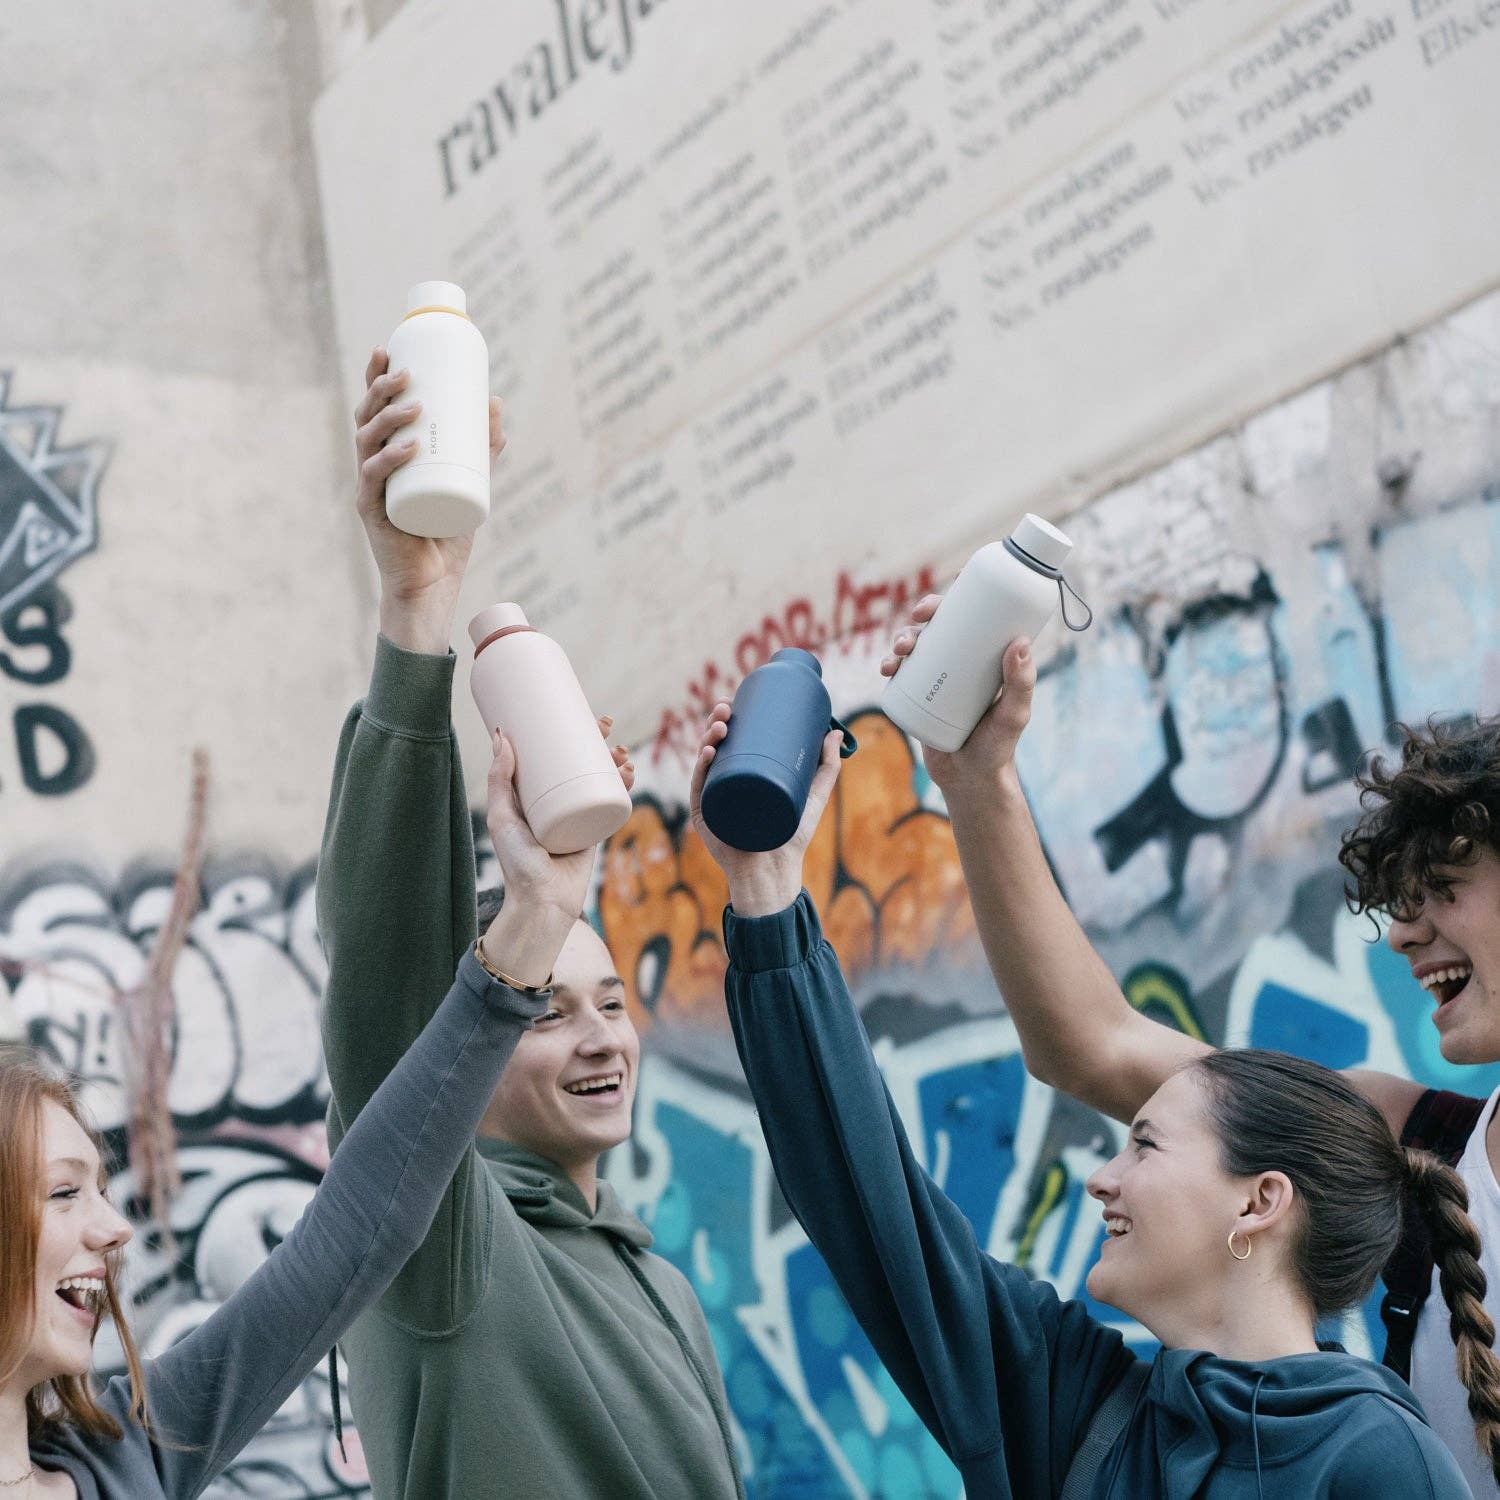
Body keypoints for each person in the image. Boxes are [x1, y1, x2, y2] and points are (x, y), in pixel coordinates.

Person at [689, 705, 1478, 1497]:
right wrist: (764, 888)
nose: (1101, 1178)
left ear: (1258, 1202)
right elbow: (869, 1199)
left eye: (1145, 1144)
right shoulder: (1073, 1404)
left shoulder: (1378, 1460)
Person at [879, 594, 1500, 1492]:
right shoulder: (1408, 1139)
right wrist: (978, 779)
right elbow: (1091, 1043)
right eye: (1401, 900)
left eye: (1442, 883)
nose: (1404, 933)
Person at [319, 350, 742, 1500]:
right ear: (461, 1051)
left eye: (610, 1004)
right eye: (545, 1015)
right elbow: (385, 984)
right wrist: (417, 609)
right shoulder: (435, 1248)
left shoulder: (659, 1282)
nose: (601, 1037)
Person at [2, 746, 574, 1497]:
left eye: (102, 1192)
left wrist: (536, 920)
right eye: (64, 1192)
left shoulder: (127, 1458)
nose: (116, 1230)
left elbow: (352, 1233)